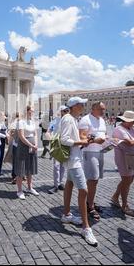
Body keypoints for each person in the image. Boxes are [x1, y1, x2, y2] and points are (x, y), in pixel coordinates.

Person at [60, 97, 98, 247]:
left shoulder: (73, 119)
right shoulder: (69, 119)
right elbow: (64, 140)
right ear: (75, 106)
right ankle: (86, 228)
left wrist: (83, 142)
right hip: (73, 161)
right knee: (84, 190)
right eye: (82, 104)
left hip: (74, 158)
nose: (84, 105)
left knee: (69, 184)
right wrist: (82, 142)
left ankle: (66, 214)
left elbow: (71, 140)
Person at [111, 111, 134, 216]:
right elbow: (130, 142)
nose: (133, 123)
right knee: (126, 180)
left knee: (128, 180)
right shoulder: (119, 129)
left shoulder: (132, 128)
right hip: (123, 158)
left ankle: (115, 197)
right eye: (132, 121)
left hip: (132, 157)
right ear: (126, 121)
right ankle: (124, 205)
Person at [79, 102, 107, 221]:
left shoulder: (102, 120)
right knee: (92, 179)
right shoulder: (85, 120)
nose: (103, 112)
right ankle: (89, 206)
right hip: (89, 152)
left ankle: (90, 201)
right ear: (93, 109)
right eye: (101, 109)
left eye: (104, 109)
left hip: (100, 151)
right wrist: (96, 140)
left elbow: (104, 134)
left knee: (95, 180)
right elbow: (82, 138)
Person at [14, 106, 39, 200]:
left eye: (33, 111)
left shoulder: (32, 121)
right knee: (21, 168)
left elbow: (35, 134)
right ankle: (19, 190)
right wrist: (31, 145)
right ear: (26, 112)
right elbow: (21, 136)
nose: (32, 113)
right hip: (23, 146)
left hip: (32, 146)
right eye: (31, 111)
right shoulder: (21, 122)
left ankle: (29, 187)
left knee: (30, 167)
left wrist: (35, 144)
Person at [48, 105, 70, 194]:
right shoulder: (55, 121)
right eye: (64, 111)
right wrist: (52, 141)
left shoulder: (69, 120)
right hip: (57, 144)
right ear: (60, 111)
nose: (66, 112)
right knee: (56, 166)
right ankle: (56, 185)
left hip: (65, 145)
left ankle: (60, 182)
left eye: (67, 111)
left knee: (63, 166)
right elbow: (48, 132)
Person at [8, 112, 21, 184]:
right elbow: (11, 133)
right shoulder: (16, 123)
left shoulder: (14, 122)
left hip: (14, 143)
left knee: (15, 160)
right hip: (15, 143)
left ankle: (16, 175)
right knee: (16, 160)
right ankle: (15, 176)